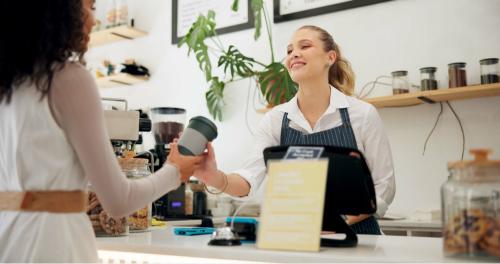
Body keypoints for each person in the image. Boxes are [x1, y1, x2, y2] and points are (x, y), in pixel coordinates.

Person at [0, 0, 202, 262]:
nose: (94, 20)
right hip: (55, 244)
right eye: (90, 7)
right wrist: (174, 171)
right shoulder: (68, 78)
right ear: (61, 11)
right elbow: (119, 201)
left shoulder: (9, 87)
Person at [194, 25, 396, 234]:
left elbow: (384, 186)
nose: (294, 54)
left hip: (361, 240)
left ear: (330, 57)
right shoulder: (275, 120)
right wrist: (215, 177)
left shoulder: (362, 114)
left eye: (305, 46)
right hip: (300, 239)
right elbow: (249, 179)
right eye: (289, 51)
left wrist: (338, 222)